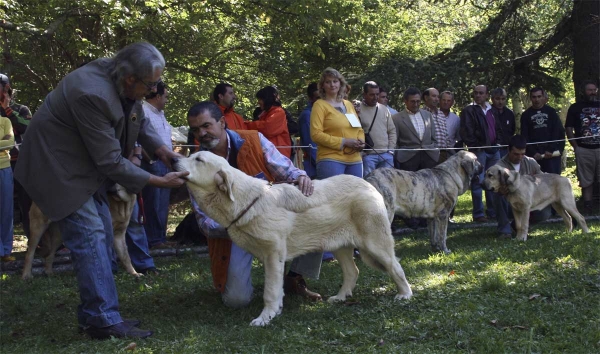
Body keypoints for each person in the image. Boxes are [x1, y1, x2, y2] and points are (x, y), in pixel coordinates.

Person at [14, 42, 189, 339]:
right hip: (55, 167)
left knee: (104, 233)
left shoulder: (123, 80)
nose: (153, 90)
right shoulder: (91, 93)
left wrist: (164, 153)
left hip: (80, 167)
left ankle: (95, 315)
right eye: (150, 84)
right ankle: (103, 320)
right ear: (131, 79)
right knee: (90, 235)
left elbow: (138, 120)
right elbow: (110, 160)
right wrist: (160, 182)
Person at [187, 101, 322, 308]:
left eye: (206, 125)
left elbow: (285, 171)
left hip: (272, 222)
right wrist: (239, 224)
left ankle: (294, 277)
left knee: (317, 216)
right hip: (234, 235)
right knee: (236, 301)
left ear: (222, 122)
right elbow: (205, 222)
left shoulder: (254, 140)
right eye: (196, 129)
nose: (202, 133)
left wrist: (301, 176)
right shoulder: (194, 166)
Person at [392, 87, 439, 228]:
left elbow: (434, 137)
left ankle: (426, 218)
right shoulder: (397, 118)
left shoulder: (427, 115)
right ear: (405, 101)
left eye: (418, 101)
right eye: (412, 101)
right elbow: (396, 141)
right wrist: (399, 155)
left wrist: (433, 150)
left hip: (428, 155)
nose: (416, 104)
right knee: (409, 189)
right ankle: (411, 219)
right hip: (408, 157)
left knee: (429, 187)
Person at [492, 135, 551, 239]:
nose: (519, 157)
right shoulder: (499, 165)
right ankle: (505, 231)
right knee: (498, 196)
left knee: (545, 212)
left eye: (522, 154)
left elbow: (542, 180)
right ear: (508, 150)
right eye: (516, 154)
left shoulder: (531, 162)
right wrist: (500, 190)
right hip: (509, 204)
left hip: (527, 202)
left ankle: (517, 227)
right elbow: (493, 185)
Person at [460, 84, 503, 223]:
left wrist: (497, 143)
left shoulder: (492, 110)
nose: (478, 95)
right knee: (478, 181)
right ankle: (478, 214)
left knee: (494, 180)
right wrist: (476, 146)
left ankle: (492, 211)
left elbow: (497, 128)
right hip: (479, 151)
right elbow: (467, 131)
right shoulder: (469, 110)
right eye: (476, 93)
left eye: (481, 93)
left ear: (486, 94)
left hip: (493, 150)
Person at [140, 81, 174, 249]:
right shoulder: (143, 111)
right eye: (166, 96)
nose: (167, 100)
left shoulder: (160, 114)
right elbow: (139, 139)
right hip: (152, 163)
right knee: (152, 202)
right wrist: (151, 160)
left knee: (162, 202)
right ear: (158, 96)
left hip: (165, 162)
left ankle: (160, 238)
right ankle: (153, 240)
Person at [0, 74, 32, 237]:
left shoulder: (21, 109)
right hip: (2, 164)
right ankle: (5, 248)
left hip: (21, 162)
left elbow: (26, 127)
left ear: (6, 88)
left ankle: (35, 242)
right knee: (4, 205)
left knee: (27, 203)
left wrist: (7, 110)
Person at [565, 80, 600, 214]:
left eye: (594, 89)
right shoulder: (575, 107)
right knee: (586, 180)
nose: (592, 92)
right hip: (583, 149)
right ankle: (588, 207)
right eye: (589, 90)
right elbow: (568, 128)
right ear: (583, 92)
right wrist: (575, 147)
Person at [520, 87, 565, 175]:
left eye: (539, 96)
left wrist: (550, 149)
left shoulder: (551, 112)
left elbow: (557, 131)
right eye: (534, 97)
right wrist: (533, 152)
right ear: (530, 98)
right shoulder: (526, 115)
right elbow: (525, 136)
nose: (537, 99)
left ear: (543, 97)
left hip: (551, 154)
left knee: (553, 182)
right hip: (535, 156)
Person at [359, 81, 396, 176]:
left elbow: (392, 131)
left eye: (377, 94)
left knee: (388, 185)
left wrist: (390, 151)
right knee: (369, 186)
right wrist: (362, 154)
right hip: (368, 156)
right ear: (364, 94)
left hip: (386, 155)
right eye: (372, 94)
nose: (375, 97)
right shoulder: (357, 109)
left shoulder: (384, 109)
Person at [246, 86, 292, 158]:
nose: (258, 102)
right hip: (271, 153)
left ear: (266, 99)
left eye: (260, 99)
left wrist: (248, 125)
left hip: (278, 155)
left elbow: (267, 128)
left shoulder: (278, 112)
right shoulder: (265, 113)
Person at [423, 87, 452, 162]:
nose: (436, 99)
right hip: (429, 153)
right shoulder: (421, 113)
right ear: (426, 98)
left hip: (443, 153)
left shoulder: (441, 114)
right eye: (433, 96)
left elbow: (446, 135)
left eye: (438, 97)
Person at [298, 82, 320, 178]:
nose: (321, 101)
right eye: (318, 98)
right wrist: (320, 164)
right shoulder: (307, 115)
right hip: (315, 167)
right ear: (311, 98)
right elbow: (310, 145)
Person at [0, 114, 14, 262]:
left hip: (5, 169)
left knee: (6, 210)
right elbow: (4, 143)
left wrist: (5, 142)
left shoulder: (5, 121)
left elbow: (9, 143)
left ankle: (6, 251)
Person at [490, 88, 516, 157]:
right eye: (497, 99)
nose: (500, 102)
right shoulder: (488, 112)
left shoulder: (509, 113)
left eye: (503, 99)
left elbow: (512, 130)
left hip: (506, 149)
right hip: (492, 150)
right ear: (492, 99)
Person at [438, 90, 461, 157]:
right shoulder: (432, 116)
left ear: (452, 103)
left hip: (450, 153)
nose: (446, 102)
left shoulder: (456, 119)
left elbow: (459, 138)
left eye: (448, 100)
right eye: (444, 100)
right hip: (435, 153)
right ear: (439, 101)